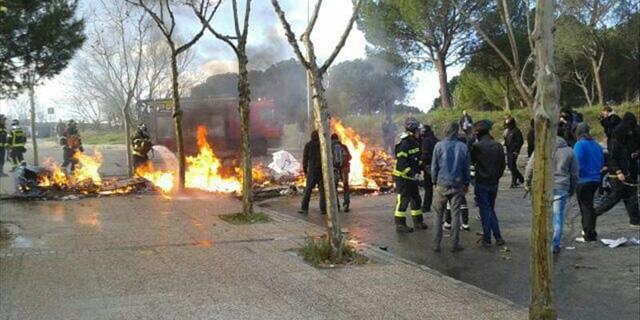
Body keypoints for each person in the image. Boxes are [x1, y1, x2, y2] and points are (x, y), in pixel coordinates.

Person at [525, 128, 578, 254]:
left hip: (542, 187)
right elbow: (574, 174)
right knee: (557, 217)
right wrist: (572, 189)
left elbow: (530, 167)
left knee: (542, 216)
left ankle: (541, 242)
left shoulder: (540, 149)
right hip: (561, 187)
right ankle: (554, 245)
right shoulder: (569, 151)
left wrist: (527, 183)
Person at [595, 112, 640, 228]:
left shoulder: (622, 136)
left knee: (630, 195)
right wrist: (619, 171)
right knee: (615, 197)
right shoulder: (617, 139)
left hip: (626, 169)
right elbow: (612, 158)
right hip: (619, 172)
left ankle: (635, 220)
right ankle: (594, 213)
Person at [432, 122, 470, 252]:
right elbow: (466, 168)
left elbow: (434, 166)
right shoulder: (463, 146)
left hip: (441, 185)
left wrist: (434, 181)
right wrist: (466, 183)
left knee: (438, 215)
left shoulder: (438, 146)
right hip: (457, 185)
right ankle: (454, 245)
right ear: (456, 131)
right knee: (456, 215)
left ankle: (436, 245)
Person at [471, 120, 506, 247]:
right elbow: (502, 165)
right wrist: (497, 177)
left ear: (478, 133)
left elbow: (471, 162)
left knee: (485, 211)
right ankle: (497, 237)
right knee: (490, 209)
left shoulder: (477, 147)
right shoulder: (498, 146)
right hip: (494, 182)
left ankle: (488, 238)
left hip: (481, 182)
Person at [392, 117, 427, 233]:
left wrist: (423, 167)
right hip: (403, 177)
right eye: (418, 130)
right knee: (403, 200)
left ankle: (418, 222)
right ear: (412, 131)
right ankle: (400, 224)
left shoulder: (416, 143)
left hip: (411, 177)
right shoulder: (405, 144)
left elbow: (417, 159)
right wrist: (414, 175)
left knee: (416, 199)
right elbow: (402, 164)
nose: (420, 132)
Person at [573, 123, 605, 242]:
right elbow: (602, 162)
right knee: (590, 206)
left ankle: (588, 233)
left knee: (585, 208)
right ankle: (591, 231)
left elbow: (577, 162)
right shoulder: (596, 144)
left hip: (583, 180)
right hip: (595, 179)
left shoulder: (580, 144)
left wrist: (575, 176)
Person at [299, 130, 325, 215]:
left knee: (308, 190)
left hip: (312, 170)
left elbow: (305, 159)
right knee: (322, 191)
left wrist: (305, 170)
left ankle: (304, 208)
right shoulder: (322, 145)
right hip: (321, 170)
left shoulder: (308, 145)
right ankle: (323, 209)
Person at [331, 133, 352, 212]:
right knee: (346, 186)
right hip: (344, 169)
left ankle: (337, 206)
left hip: (335, 169)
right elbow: (350, 157)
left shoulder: (330, 147)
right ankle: (346, 204)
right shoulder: (344, 147)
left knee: (334, 188)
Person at [420, 124, 438, 213]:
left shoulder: (426, 141)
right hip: (437, 166)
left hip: (428, 167)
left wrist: (420, 163)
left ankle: (426, 206)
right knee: (439, 187)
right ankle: (445, 207)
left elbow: (425, 155)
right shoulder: (436, 139)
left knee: (428, 188)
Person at [504, 117, 524, 188]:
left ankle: (514, 182)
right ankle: (520, 178)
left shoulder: (517, 131)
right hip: (509, 150)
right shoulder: (508, 131)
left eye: (509, 124)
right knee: (510, 166)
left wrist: (516, 150)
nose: (507, 126)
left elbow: (520, 141)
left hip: (514, 151)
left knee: (512, 166)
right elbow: (507, 140)